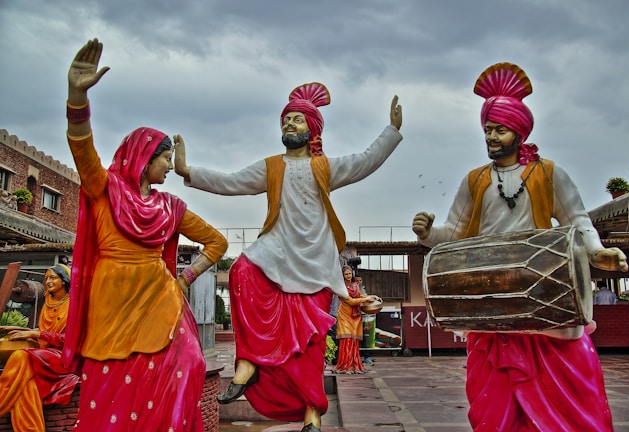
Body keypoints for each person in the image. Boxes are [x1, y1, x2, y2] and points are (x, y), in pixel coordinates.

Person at [412, 62, 628, 431]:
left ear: (520, 131)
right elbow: (458, 234)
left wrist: (596, 253)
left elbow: (577, 220)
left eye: (499, 129)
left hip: (544, 297)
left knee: (566, 398)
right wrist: (429, 234)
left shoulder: (549, 173)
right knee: (493, 404)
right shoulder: (475, 180)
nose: (491, 137)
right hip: (493, 305)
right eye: (487, 130)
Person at [174, 82, 402, 432]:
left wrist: (391, 131)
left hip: (315, 264)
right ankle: (247, 363)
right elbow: (231, 181)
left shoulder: (324, 166)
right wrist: (189, 171)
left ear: (312, 129)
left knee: (308, 347)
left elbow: (364, 161)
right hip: (276, 252)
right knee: (240, 272)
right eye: (287, 120)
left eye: (297, 120)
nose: (290, 125)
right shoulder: (271, 167)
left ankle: (313, 417)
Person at [61, 39, 228, 431]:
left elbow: (216, 242)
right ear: (144, 157)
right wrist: (76, 98)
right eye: (165, 158)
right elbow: (82, 150)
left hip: (160, 300)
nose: (170, 166)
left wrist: (184, 279)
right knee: (110, 383)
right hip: (111, 304)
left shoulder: (171, 206)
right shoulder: (104, 189)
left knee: (190, 363)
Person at [0, 264, 79, 432]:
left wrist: (34, 335)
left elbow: (70, 341)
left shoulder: (74, 306)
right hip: (46, 353)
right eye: (47, 277)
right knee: (26, 384)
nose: (48, 281)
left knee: (21, 356)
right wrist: (23, 331)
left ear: (64, 281)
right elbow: (45, 333)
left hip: (65, 358)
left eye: (53, 278)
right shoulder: (48, 302)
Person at [335, 266, 377, 374]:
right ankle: (345, 366)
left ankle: (354, 365)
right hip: (345, 316)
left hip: (355, 316)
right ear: (342, 276)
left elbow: (359, 296)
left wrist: (370, 297)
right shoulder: (341, 287)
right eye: (346, 274)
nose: (348, 276)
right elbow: (350, 301)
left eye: (350, 274)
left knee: (354, 341)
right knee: (347, 340)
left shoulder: (355, 285)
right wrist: (365, 299)